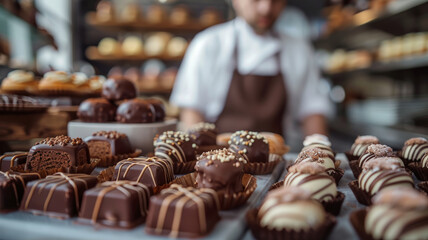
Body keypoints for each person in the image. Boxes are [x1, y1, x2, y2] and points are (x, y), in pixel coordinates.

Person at [170, 0, 331, 136]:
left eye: (275, 0)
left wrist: (318, 155)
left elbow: (313, 111)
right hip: (216, 160)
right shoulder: (208, 44)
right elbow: (192, 111)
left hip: (277, 166)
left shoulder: (299, 49)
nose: (266, 8)